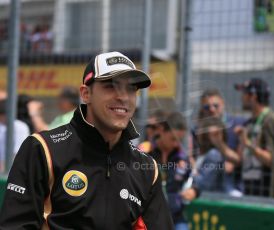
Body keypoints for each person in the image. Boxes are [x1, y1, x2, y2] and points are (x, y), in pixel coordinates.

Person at [0, 51, 174, 229]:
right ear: (85, 94)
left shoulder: (146, 168)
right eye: (111, 86)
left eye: (131, 88)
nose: (123, 97)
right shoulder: (42, 148)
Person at [234, 78, 274, 197]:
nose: (241, 98)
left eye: (244, 94)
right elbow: (239, 160)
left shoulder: (271, 121)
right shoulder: (249, 123)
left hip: (267, 191)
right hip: (249, 189)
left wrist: (248, 144)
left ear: (253, 96)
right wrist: (219, 143)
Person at [193, 89, 245, 194]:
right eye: (207, 107)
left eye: (216, 105)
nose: (212, 110)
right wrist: (195, 169)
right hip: (204, 180)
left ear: (223, 104)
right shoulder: (197, 129)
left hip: (231, 185)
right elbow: (192, 155)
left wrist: (218, 143)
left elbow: (239, 160)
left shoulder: (237, 124)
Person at [148, 112, 190, 230]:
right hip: (149, 218)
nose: (176, 144)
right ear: (161, 130)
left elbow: (194, 179)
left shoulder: (182, 157)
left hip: (176, 218)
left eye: (180, 140)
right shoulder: (145, 152)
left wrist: (194, 190)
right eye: (173, 139)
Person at [0, 98, 30, 172]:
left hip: (12, 171)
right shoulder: (2, 126)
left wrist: (3, 169)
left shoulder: (19, 127)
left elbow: (17, 154)